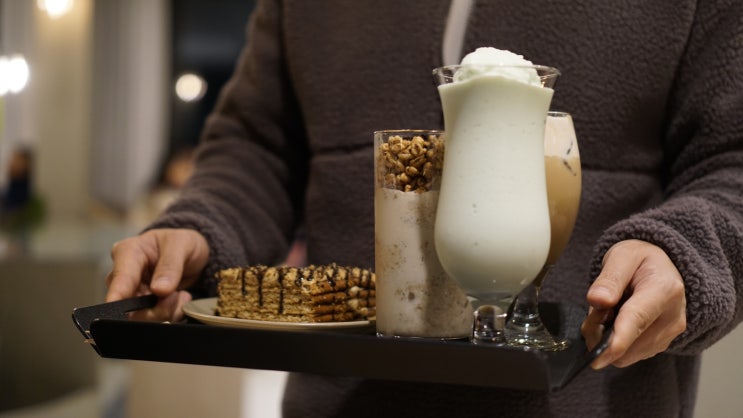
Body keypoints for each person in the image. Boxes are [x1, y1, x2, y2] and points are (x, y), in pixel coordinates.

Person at [105, 1, 743, 416]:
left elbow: (732, 161)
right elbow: (257, 145)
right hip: (344, 403)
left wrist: (689, 250)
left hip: (587, 399)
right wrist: (201, 226)